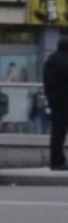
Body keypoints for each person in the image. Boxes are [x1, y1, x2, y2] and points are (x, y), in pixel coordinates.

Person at [43, 37, 68, 170]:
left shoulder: (50, 60)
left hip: (53, 99)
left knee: (57, 130)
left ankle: (56, 159)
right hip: (63, 100)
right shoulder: (64, 62)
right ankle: (57, 161)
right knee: (60, 131)